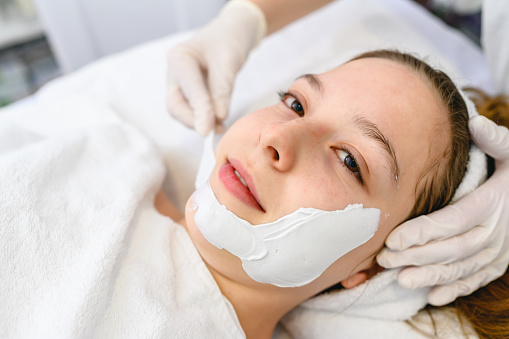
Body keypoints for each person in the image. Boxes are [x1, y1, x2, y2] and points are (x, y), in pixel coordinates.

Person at [166, 0, 509, 308]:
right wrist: (249, 14)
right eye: (296, 104)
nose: (277, 136)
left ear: (371, 267)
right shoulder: (124, 163)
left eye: (349, 161)